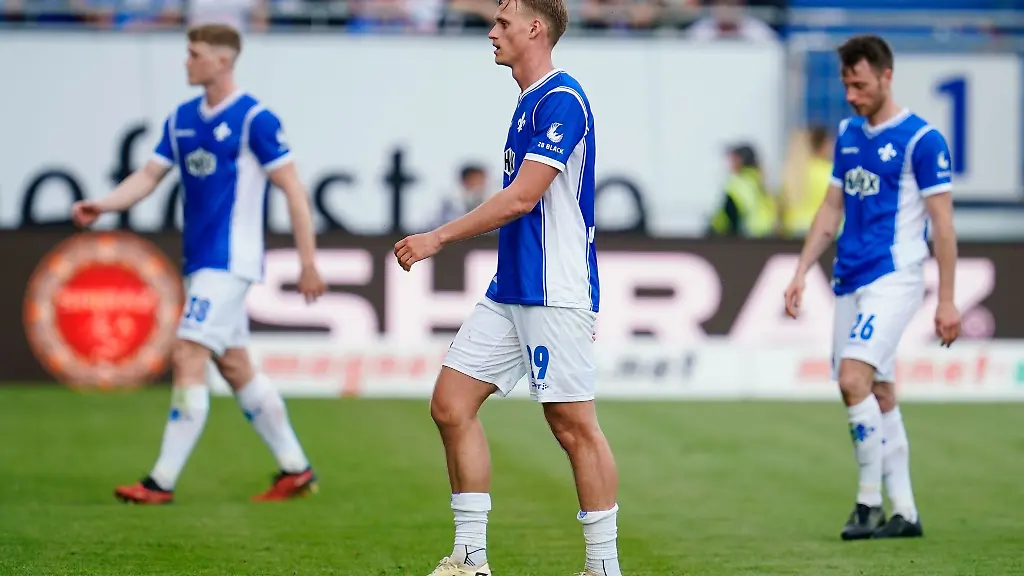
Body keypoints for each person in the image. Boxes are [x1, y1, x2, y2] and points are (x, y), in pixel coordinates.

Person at [393, 1, 622, 575]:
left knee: (573, 427)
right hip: (512, 286)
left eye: (502, 23)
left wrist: (437, 238)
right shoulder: (528, 102)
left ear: (534, 29)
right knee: (450, 406)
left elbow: (523, 197)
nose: (491, 33)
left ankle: (603, 567)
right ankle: (470, 558)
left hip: (554, 289)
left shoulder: (562, 101)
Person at [71, 23, 325, 504]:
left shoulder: (256, 119)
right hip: (202, 262)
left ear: (222, 61)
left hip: (230, 263)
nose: (186, 62)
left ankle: (159, 482)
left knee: (188, 352)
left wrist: (308, 261)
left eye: (194, 54)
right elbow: (148, 177)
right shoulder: (182, 118)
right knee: (235, 367)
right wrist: (102, 205)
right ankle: (296, 469)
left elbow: (293, 189)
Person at [784, 34, 961, 541]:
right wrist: (800, 271)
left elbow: (943, 224)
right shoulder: (848, 134)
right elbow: (831, 207)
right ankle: (904, 510)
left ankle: (867, 502)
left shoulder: (922, 141)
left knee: (852, 380)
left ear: (886, 76)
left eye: (860, 84)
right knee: (877, 391)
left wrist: (946, 298)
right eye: (845, 84)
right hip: (849, 278)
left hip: (895, 276)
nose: (852, 94)